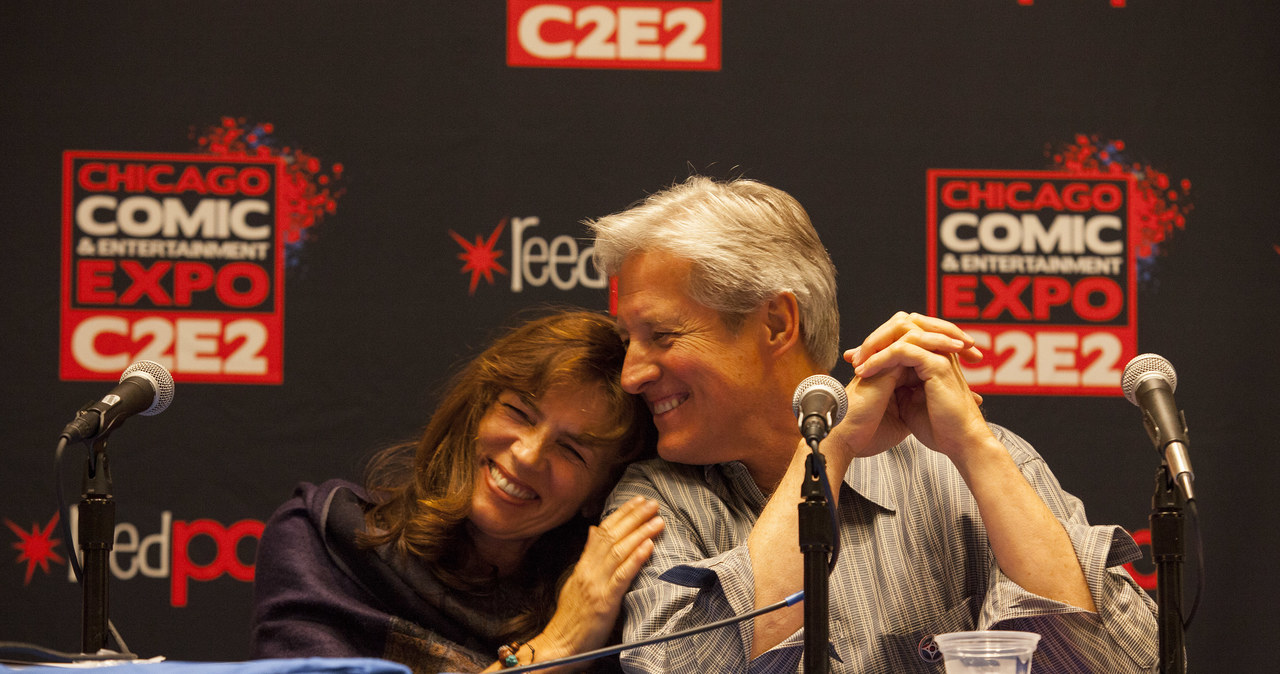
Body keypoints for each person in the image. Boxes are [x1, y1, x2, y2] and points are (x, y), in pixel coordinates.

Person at [586, 176, 1159, 673]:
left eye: (661, 336)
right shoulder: (656, 503)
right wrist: (830, 451)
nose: (632, 375)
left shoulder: (970, 465)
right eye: (627, 342)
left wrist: (976, 449)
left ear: (776, 324)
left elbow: (1124, 662)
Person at [250, 309, 666, 673]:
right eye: (519, 412)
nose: (527, 454)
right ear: (478, 412)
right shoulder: (327, 540)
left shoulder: (616, 609)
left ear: (601, 491)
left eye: (572, 450)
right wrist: (559, 645)